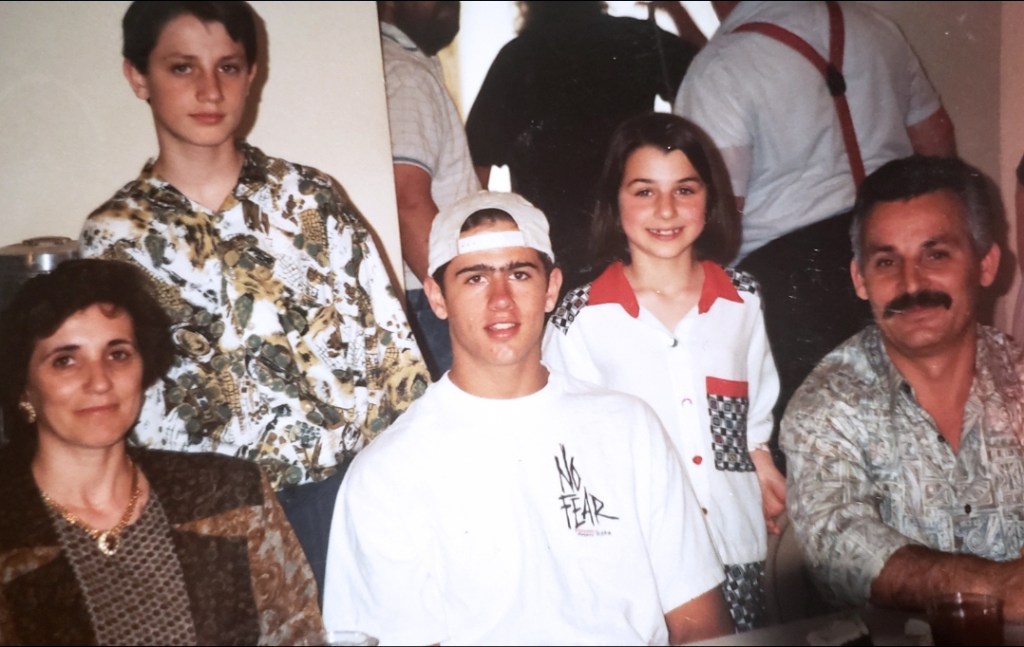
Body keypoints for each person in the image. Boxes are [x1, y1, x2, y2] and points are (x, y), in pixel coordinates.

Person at [78, 1, 429, 597]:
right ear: (138, 77)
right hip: (199, 518)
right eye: (183, 68)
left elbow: (396, 369)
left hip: (337, 504)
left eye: (229, 67)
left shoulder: (313, 202)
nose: (210, 90)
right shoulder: (115, 240)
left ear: (252, 74)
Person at [323, 191, 734, 644]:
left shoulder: (629, 427)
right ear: (438, 296)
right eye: (475, 278)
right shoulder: (388, 473)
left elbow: (702, 622)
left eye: (519, 274)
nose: (501, 300)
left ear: (551, 288)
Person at [675, 1, 957, 453]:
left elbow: (712, 221)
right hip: (894, 261)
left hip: (792, 287)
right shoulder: (877, 29)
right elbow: (937, 146)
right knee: (915, 438)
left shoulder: (722, 67)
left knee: (820, 456)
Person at [0, 259, 324, 645]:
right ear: (24, 388)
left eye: (117, 353)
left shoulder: (231, 496)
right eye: (65, 361)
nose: (99, 381)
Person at [543, 113, 783, 631]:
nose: (667, 209)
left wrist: (761, 459)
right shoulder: (579, 319)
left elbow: (752, 411)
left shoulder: (744, 301)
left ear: (710, 199)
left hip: (735, 543)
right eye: (644, 191)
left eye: (685, 190)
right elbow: (568, 449)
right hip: (640, 556)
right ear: (614, 202)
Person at [781, 155, 1024, 619]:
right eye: (887, 261)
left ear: (986, 264)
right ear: (860, 279)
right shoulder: (827, 405)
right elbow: (841, 551)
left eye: (936, 255)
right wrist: (1000, 591)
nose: (911, 283)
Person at [465, 1, 704, 293]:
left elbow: (476, 168)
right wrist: (674, 8)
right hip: (631, 243)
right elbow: (710, 75)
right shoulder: (635, 38)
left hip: (556, 255)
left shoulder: (517, 57)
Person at [377, 0, 481, 379]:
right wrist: (464, 300)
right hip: (430, 300)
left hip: (429, 296)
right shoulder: (406, 76)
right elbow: (408, 201)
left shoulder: (403, 67)